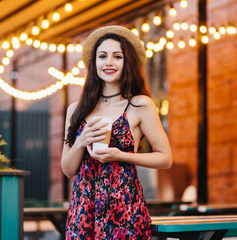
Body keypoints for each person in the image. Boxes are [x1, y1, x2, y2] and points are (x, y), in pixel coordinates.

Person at [61, 25, 172, 239]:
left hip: (124, 207)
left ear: (126, 62)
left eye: (117, 56)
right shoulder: (75, 110)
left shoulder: (139, 105)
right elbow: (67, 169)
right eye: (102, 56)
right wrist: (81, 141)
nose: (109, 62)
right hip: (84, 209)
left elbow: (165, 158)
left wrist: (120, 156)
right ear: (94, 63)